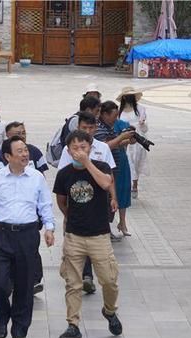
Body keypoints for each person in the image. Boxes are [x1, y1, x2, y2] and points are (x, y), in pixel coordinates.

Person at [0, 136, 55, 338]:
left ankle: (20, 328)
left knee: (24, 285)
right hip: (1, 235)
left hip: (27, 235)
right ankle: (2, 316)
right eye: (19, 151)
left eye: (25, 150)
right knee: (0, 283)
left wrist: (49, 228)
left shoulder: (36, 177)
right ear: (7, 156)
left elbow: (45, 204)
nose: (24, 154)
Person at [53, 130, 122, 338]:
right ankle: (72, 323)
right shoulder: (64, 174)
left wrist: (87, 163)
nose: (79, 151)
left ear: (90, 148)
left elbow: (105, 183)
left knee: (109, 280)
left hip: (99, 236)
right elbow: (61, 201)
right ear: (68, 150)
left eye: (83, 147)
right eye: (75, 148)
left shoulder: (100, 167)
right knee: (73, 283)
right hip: (74, 236)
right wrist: (69, 218)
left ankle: (110, 311)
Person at [58, 112, 119, 294]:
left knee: (107, 274)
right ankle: (85, 277)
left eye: (91, 128)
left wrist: (113, 197)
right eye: (85, 127)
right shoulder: (69, 148)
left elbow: (109, 178)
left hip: (99, 205)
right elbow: (62, 188)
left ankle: (109, 308)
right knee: (77, 247)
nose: (89, 130)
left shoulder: (102, 148)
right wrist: (67, 213)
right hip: (76, 206)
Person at [0, 122, 48, 295]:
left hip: (30, 211)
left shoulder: (35, 152)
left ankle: (34, 279)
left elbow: (42, 180)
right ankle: (9, 280)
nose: (22, 135)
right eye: (17, 133)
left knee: (31, 248)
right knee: (7, 251)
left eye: (23, 132)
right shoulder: (1, 156)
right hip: (7, 213)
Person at [95, 101, 136, 237]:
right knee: (106, 201)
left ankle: (108, 228)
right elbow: (105, 146)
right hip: (104, 171)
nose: (116, 118)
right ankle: (104, 229)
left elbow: (114, 144)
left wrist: (126, 141)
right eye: (114, 115)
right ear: (104, 114)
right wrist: (121, 137)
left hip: (114, 170)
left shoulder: (109, 127)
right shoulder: (100, 128)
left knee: (113, 198)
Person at [117, 87, 149, 199]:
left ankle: (135, 184)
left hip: (137, 140)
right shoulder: (119, 111)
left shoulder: (140, 109)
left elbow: (145, 129)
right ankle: (129, 186)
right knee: (128, 162)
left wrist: (142, 123)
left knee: (136, 162)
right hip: (124, 140)